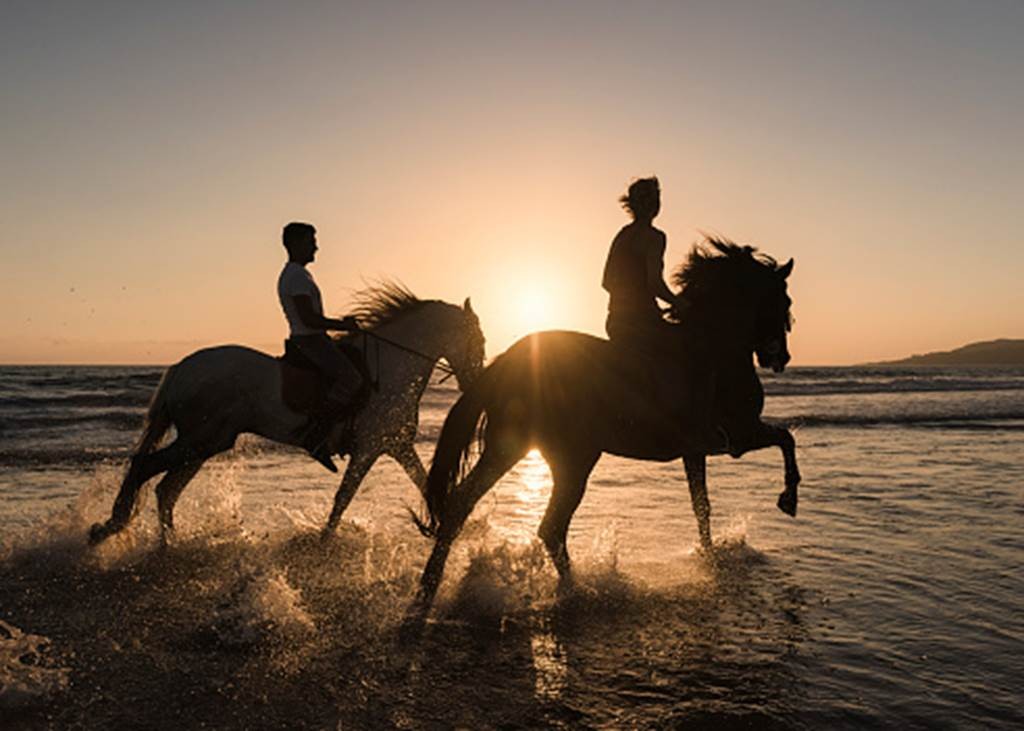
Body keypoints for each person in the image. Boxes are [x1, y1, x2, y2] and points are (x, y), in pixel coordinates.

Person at [278, 222, 363, 472]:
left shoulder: (299, 274)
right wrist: (344, 325)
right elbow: (309, 319)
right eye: (310, 241)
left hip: (313, 338)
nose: (316, 246)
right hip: (309, 340)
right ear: (295, 244)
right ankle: (316, 434)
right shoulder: (295, 276)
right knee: (351, 379)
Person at [601, 177, 681, 349]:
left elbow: (606, 282)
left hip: (615, 323)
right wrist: (680, 303)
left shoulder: (623, 235)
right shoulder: (655, 237)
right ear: (655, 204)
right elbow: (655, 284)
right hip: (643, 323)